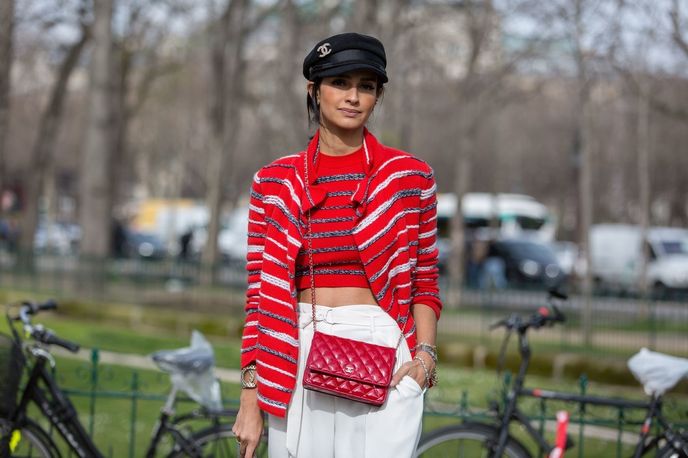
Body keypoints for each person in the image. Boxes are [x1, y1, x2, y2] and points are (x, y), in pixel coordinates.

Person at [232, 33, 442, 458]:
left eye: (366, 86)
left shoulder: (409, 177)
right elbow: (260, 298)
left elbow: (424, 280)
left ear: (378, 96)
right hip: (297, 345)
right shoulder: (274, 181)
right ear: (314, 90)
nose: (353, 97)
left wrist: (424, 360)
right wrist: (249, 399)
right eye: (340, 83)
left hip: (384, 348)